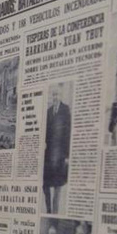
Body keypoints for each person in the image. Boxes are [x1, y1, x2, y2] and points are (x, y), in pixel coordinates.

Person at [43, 83, 71, 214]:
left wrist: (67, 156)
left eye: (57, 94)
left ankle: (55, 211)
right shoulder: (48, 112)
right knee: (45, 184)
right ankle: (49, 209)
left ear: (61, 95)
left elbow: (68, 133)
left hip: (60, 154)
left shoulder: (65, 110)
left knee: (58, 186)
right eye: (53, 94)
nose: (55, 97)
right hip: (48, 155)